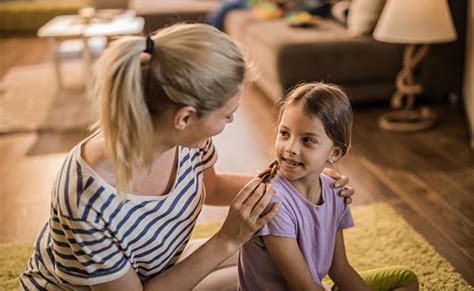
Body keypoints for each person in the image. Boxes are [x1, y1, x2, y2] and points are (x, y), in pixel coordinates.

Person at [20, 23, 353, 290]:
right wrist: (226, 239)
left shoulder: (189, 142)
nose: (231, 121)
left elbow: (213, 185)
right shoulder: (86, 198)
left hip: (163, 269)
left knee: (262, 273)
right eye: (227, 115)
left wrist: (307, 183)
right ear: (184, 117)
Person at [238, 82, 419, 290]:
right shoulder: (273, 202)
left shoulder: (335, 191)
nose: (291, 148)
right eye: (285, 133)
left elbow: (340, 268)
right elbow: (303, 286)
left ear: (334, 153)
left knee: (405, 279)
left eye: (307, 140)